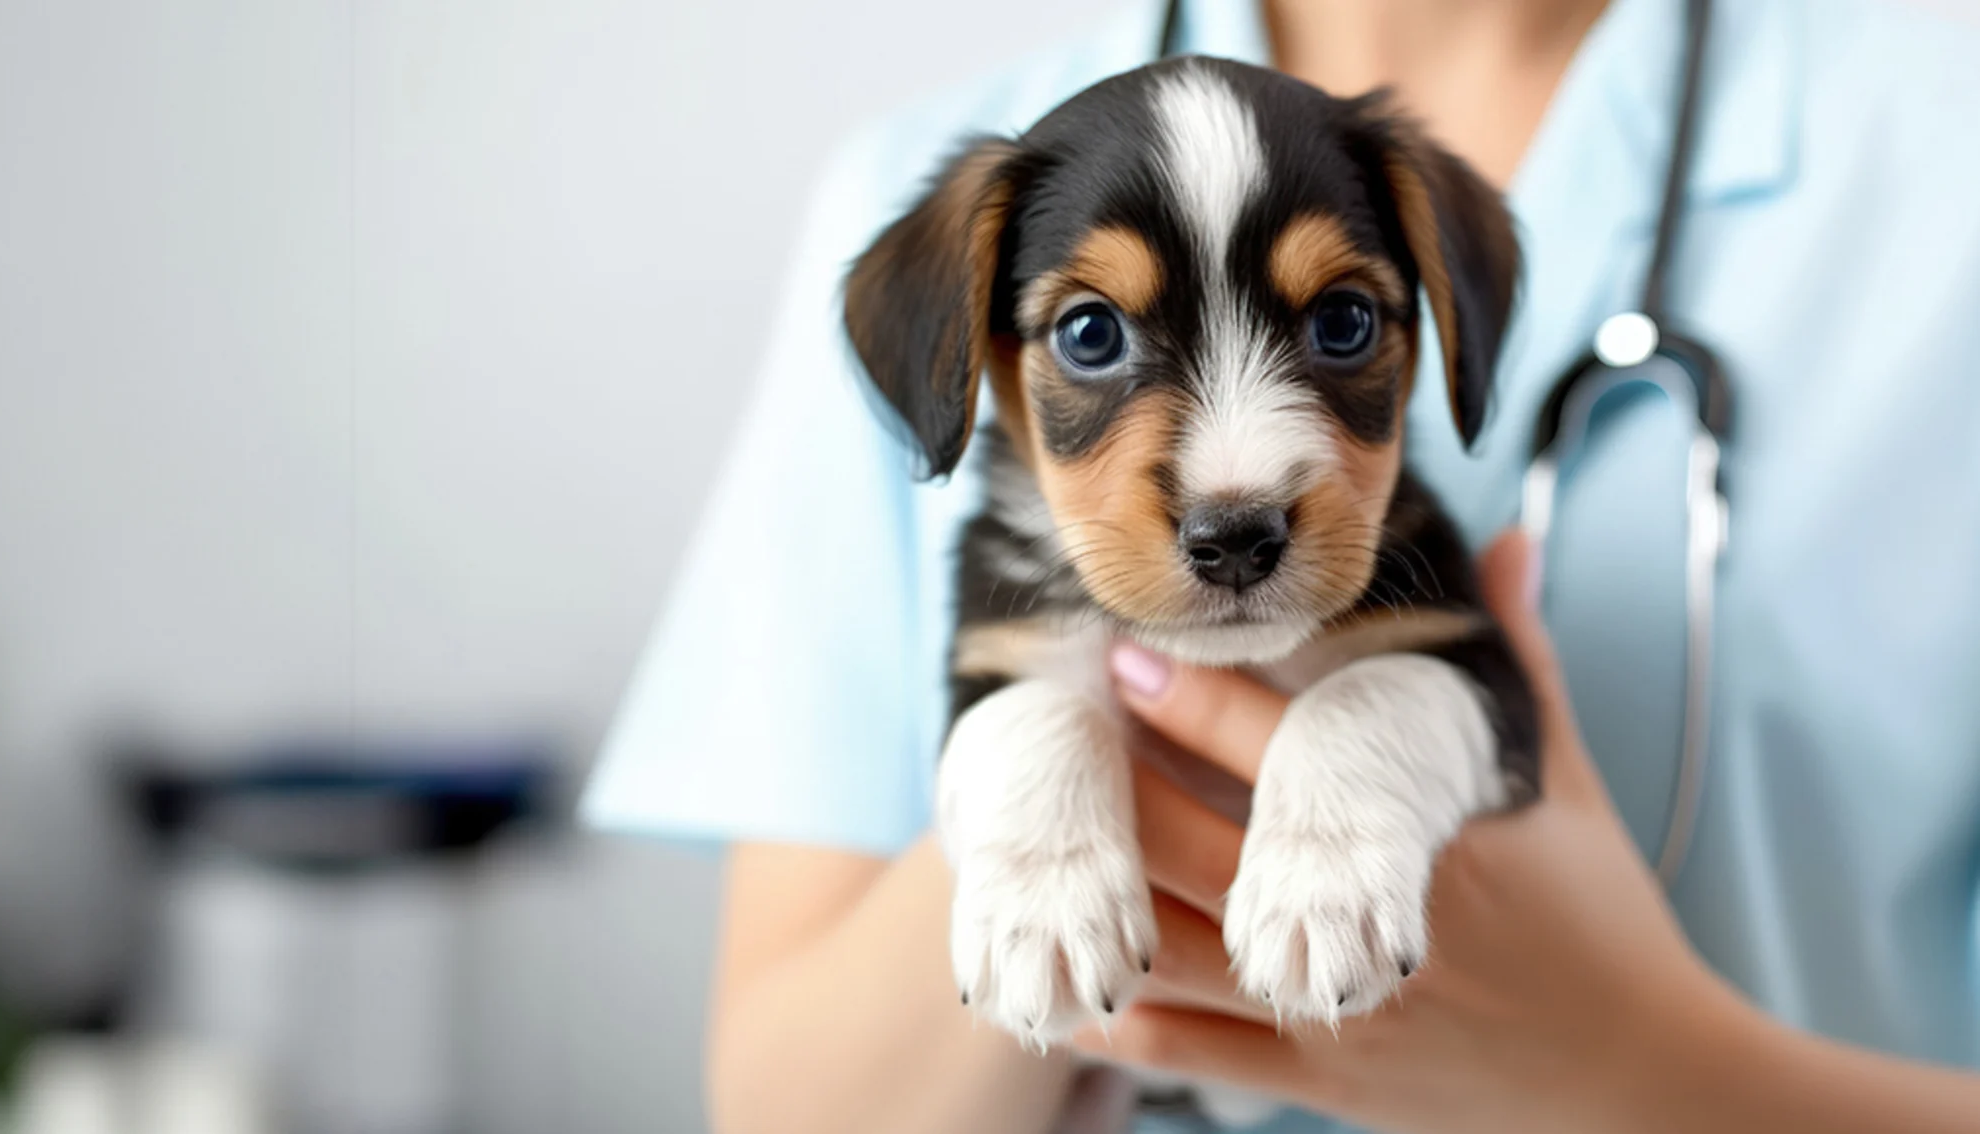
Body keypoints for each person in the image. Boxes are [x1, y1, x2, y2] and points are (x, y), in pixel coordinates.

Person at [579, 0, 1980, 1130]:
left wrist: (1629, 1069)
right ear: (977, 364)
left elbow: (1454, 692)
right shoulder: (917, 182)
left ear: (1450, 319)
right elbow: (789, 1104)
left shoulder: (1932, 146)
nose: (1231, 478)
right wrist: (1035, 782)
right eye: (1088, 336)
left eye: (1341, 324)